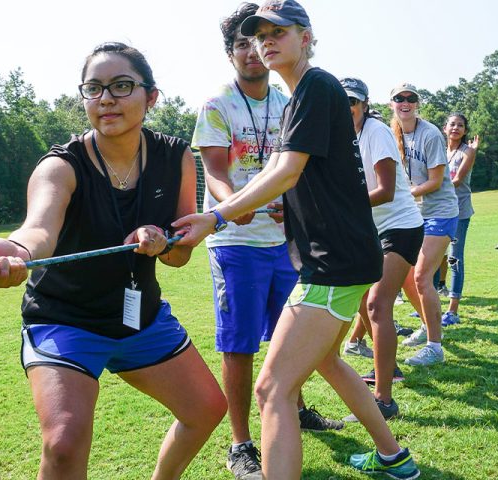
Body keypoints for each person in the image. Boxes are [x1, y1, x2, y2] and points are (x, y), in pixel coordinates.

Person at [173, 2, 420, 478]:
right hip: (338, 256)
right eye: (258, 34)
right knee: (327, 360)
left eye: (277, 32)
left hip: (333, 261)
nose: (266, 41)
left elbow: (287, 170)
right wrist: (236, 206)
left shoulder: (315, 86)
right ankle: (393, 455)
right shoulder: (302, 94)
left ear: (306, 37)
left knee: (271, 390)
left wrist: (216, 216)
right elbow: (277, 170)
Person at [0, 42, 227, 480]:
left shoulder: (175, 157)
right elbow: (39, 229)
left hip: (138, 318)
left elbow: (180, 255)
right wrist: (17, 250)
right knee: (64, 443)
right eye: (94, 88)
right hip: (64, 320)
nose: (106, 98)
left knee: (207, 409)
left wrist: (162, 241)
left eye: (121, 85)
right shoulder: (60, 166)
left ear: (152, 97)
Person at [192, 4, 342, 479]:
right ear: (231, 53)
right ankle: (241, 444)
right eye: (241, 42)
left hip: (286, 243)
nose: (252, 49)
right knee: (239, 346)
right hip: (236, 243)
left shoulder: (289, 99)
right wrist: (234, 204)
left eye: (260, 39)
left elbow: (295, 168)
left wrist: (289, 201)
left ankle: (293, 411)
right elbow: (214, 170)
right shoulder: (217, 105)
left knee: (292, 338)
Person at [339, 76, 424, 420]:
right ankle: (387, 366)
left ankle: (384, 400)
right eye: (342, 102)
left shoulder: (375, 132)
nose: (348, 109)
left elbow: (386, 190)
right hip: (372, 228)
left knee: (377, 303)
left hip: (401, 227)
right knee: (361, 297)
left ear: (364, 105)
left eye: (353, 102)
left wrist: (341, 205)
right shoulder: (343, 137)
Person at [391, 83, 460, 368]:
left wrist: (401, 194)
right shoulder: (391, 131)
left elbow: (434, 181)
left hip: (440, 211)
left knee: (421, 277)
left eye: (411, 99)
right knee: (406, 277)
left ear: (417, 104)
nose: (405, 103)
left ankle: (435, 346)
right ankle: (426, 325)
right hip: (413, 213)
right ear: (391, 103)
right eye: (399, 98)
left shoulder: (430, 134)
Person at [437, 113, 479, 327]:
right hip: (439, 210)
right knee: (434, 259)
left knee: (454, 259)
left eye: (460, 125)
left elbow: (457, 180)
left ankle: (452, 311)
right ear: (445, 128)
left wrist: (430, 187)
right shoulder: (441, 150)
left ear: (464, 130)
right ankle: (431, 307)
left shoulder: (467, 151)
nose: (455, 128)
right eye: (452, 124)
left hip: (459, 212)